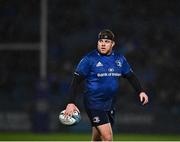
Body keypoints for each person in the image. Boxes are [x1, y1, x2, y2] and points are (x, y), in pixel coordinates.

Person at [64, 29, 149, 141]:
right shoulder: (89, 59)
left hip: (109, 104)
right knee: (108, 137)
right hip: (93, 103)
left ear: (112, 44)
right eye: (101, 41)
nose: (103, 44)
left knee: (97, 138)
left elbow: (130, 76)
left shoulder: (119, 59)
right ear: (97, 43)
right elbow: (75, 81)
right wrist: (70, 102)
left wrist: (140, 91)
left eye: (107, 41)